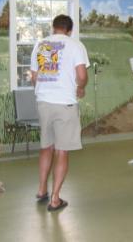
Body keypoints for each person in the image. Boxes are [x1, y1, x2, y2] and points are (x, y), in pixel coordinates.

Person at [30, 14, 90, 211]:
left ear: (53, 27)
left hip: (43, 102)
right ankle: (55, 198)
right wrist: (80, 88)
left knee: (46, 146)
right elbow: (81, 75)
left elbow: (35, 76)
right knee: (61, 151)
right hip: (65, 103)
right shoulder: (75, 45)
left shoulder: (41, 45)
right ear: (70, 30)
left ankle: (41, 190)